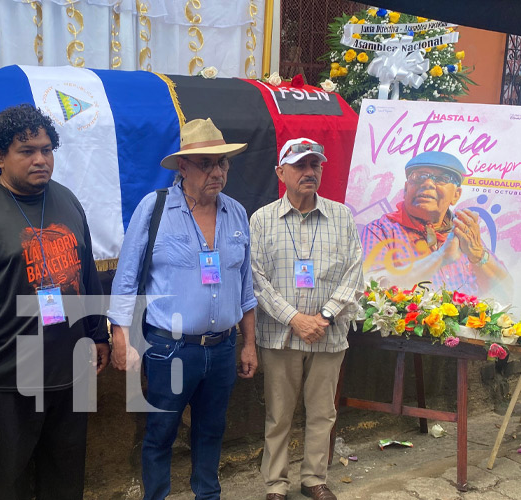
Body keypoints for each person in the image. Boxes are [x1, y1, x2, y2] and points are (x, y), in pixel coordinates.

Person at [0, 104, 109, 500]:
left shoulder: (66, 200)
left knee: (65, 481)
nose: (41, 160)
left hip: (68, 375)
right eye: (27, 151)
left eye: (47, 150)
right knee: (4, 486)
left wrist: (97, 334)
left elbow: (86, 275)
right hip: (3, 383)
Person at [108, 118, 258, 500]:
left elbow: (245, 288)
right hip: (170, 349)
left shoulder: (237, 214)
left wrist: (249, 343)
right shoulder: (155, 209)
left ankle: (208, 495)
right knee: (160, 433)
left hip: (222, 349)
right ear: (183, 167)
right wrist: (120, 338)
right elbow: (126, 279)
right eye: (206, 163)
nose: (217, 172)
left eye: (222, 163)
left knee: (212, 431)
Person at [250, 138, 363, 500]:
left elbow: (354, 275)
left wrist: (325, 316)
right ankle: (275, 485)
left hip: (328, 335)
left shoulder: (342, 216)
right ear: (281, 172)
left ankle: (314, 478)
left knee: (322, 413)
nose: (309, 172)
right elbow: (255, 279)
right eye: (300, 166)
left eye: (315, 165)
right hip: (281, 335)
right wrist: (295, 318)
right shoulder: (262, 219)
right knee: (278, 415)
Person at [361, 151, 512, 298]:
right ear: (406, 189)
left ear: (456, 195)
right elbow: (370, 290)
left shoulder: (464, 232)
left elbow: (507, 295)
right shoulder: (381, 230)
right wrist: (440, 258)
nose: (427, 184)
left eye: (441, 178)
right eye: (419, 177)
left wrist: (478, 255)